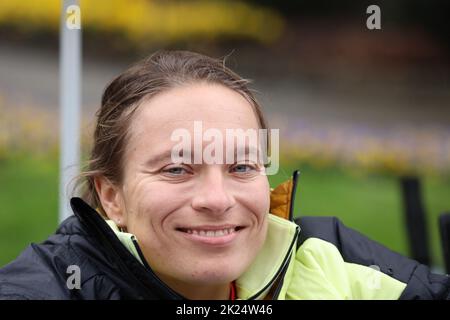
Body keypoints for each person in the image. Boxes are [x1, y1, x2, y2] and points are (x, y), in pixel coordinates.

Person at [0, 51, 449, 300]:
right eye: (176, 169)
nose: (217, 199)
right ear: (111, 196)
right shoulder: (49, 287)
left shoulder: (327, 258)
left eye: (240, 166)